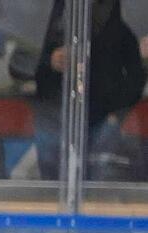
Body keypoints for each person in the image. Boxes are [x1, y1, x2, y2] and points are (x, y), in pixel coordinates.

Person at [34, 0, 146, 180]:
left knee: (101, 179)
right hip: (54, 114)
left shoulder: (120, 32)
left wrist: (116, 113)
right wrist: (50, 61)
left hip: (102, 119)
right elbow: (21, 63)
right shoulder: (48, 25)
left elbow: (136, 78)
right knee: (53, 177)